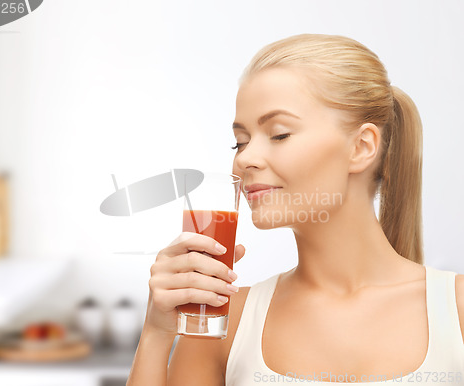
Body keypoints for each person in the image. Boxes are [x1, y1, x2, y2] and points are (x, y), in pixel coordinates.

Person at [127, 34, 464, 385]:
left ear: (362, 147)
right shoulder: (222, 320)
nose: (244, 158)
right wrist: (155, 333)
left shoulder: (457, 312)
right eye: (240, 142)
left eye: (279, 134)